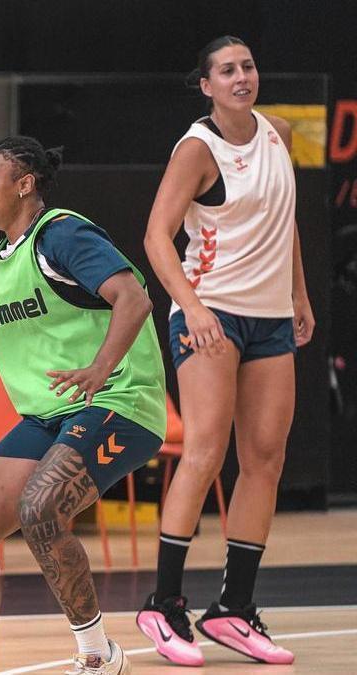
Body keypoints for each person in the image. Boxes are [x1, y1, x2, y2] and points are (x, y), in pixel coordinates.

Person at [0, 136, 167, 675]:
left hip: (118, 402)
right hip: (50, 416)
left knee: (42, 507)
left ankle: (97, 654)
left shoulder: (62, 233)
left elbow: (134, 297)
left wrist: (99, 369)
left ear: (24, 184)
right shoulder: (2, 259)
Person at [136, 36, 311, 667]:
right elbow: (157, 236)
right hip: (208, 312)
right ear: (206, 85)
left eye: (248, 67)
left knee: (264, 458)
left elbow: (284, 220)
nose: (242, 77)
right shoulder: (196, 148)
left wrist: (299, 293)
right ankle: (164, 603)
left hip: (268, 317)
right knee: (206, 451)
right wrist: (195, 305)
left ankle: (234, 610)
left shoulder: (279, 132)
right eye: (228, 70)